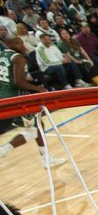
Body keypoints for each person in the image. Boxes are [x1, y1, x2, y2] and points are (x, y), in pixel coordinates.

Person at [0, 36, 66, 167]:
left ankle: (46, 158)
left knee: (38, 123)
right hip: (17, 97)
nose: (23, 45)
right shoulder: (18, 58)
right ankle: (3, 150)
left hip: (4, 94)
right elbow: (19, 81)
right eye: (21, 43)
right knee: (32, 132)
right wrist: (38, 88)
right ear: (16, 44)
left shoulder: (3, 54)